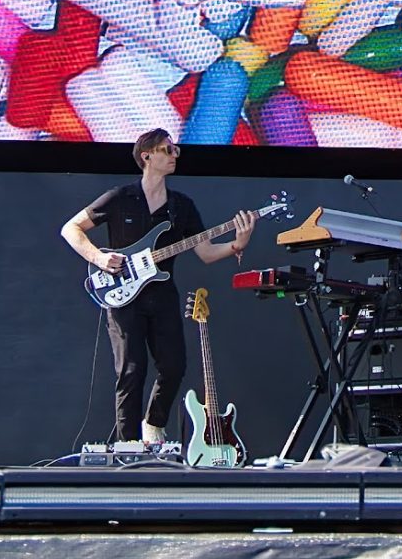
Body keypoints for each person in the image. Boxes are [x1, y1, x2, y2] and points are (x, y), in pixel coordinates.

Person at [61, 127, 257, 449]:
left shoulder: (181, 206)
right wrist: (98, 257)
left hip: (162, 294)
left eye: (175, 149)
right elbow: (71, 228)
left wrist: (237, 244)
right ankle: (129, 448)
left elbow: (206, 253)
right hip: (123, 296)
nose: (174, 155)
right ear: (147, 155)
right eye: (168, 149)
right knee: (131, 370)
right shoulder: (120, 197)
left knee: (174, 365)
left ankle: (154, 423)